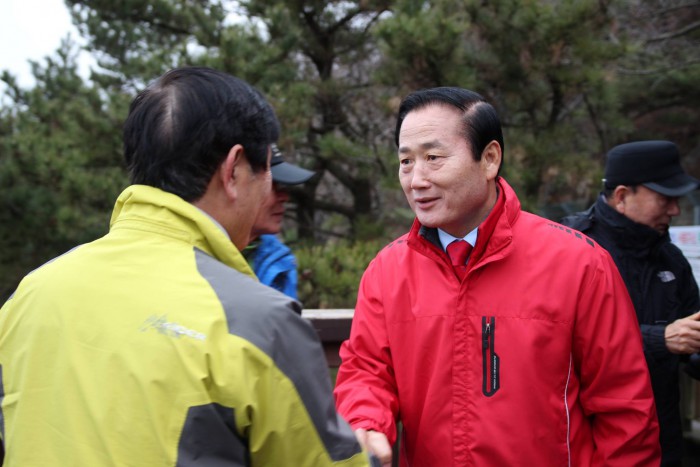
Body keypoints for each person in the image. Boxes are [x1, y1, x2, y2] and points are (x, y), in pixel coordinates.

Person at [0, 67, 370, 466]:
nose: (270, 190)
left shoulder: (30, 294)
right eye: (266, 168)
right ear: (234, 169)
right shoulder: (258, 323)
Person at [333, 87, 661, 466]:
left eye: (433, 158)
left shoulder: (580, 264)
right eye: (406, 161)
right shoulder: (388, 271)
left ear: (489, 159)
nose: (416, 179)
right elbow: (366, 372)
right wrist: (366, 422)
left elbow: (625, 408)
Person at [561, 140, 700, 467]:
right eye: (665, 199)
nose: (675, 210)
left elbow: (690, 340)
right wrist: (659, 339)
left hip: (661, 444)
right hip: (586, 446)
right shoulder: (568, 248)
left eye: (677, 200)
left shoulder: (670, 259)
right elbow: (551, 342)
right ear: (622, 196)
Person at [244, 144, 314, 298]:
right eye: (272, 185)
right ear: (233, 182)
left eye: (283, 187)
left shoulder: (280, 260)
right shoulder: (198, 257)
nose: (285, 197)